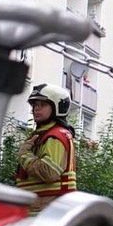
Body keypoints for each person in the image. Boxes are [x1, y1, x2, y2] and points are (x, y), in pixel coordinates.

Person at [15, 83, 77, 213]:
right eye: (35, 105)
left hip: (46, 212)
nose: (36, 109)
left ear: (57, 106)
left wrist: (24, 154)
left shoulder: (55, 136)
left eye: (42, 105)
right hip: (38, 208)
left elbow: (49, 172)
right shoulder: (43, 134)